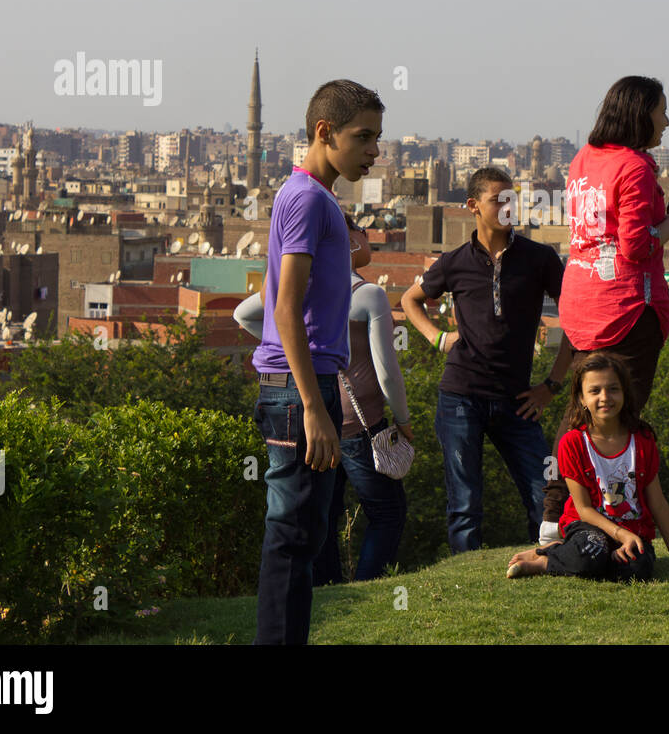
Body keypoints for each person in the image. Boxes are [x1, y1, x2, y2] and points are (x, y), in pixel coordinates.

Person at [250, 79, 383, 643]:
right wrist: (311, 405)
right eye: (364, 137)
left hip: (306, 384)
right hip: (296, 391)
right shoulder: (306, 198)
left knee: (305, 537)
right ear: (325, 133)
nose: (374, 151)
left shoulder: (315, 197)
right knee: (291, 536)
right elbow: (284, 306)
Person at [539, 76, 669, 544]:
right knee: (614, 419)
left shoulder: (584, 161)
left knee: (582, 412)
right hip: (625, 308)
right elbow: (635, 245)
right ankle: (605, 518)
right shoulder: (634, 167)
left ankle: (554, 517)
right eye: (661, 111)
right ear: (639, 113)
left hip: (584, 303)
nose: (667, 120)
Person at [400, 166, 574, 554]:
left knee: (544, 493)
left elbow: (576, 321)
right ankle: (466, 578)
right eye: (499, 200)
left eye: (513, 198)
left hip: (518, 401)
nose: (509, 206)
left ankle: (553, 561)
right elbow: (409, 300)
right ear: (473, 206)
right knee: (464, 504)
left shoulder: (539, 258)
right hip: (460, 396)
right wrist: (438, 339)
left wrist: (551, 386)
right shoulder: (455, 261)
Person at [235, 213, 412, 582]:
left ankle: (328, 587)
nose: (367, 237)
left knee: (325, 515)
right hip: (361, 425)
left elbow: (244, 315)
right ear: (344, 238)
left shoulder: (302, 290)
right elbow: (386, 372)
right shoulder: (368, 295)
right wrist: (404, 420)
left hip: (314, 421)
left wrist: (296, 350)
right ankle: (370, 584)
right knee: (387, 513)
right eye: (361, 231)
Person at [505, 352, 669, 580]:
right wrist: (619, 534)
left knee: (637, 570)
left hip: (632, 532)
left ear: (624, 393)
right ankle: (544, 559)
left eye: (613, 389)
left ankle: (584, 557)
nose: (605, 397)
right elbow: (583, 510)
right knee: (591, 553)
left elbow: (658, 503)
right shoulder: (572, 443)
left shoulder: (642, 439)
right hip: (588, 529)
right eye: (594, 391)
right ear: (581, 398)